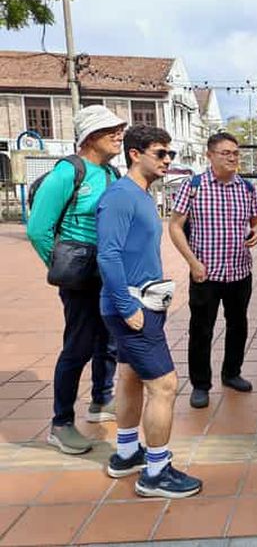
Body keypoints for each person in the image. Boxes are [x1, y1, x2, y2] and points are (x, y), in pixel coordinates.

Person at [97, 125, 201, 498]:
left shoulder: (141, 195)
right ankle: (156, 472)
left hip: (144, 301)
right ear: (135, 154)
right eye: (161, 153)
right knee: (165, 385)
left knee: (128, 376)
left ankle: (127, 453)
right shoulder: (121, 197)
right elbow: (107, 255)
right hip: (131, 305)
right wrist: (128, 307)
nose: (168, 160)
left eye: (169, 154)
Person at [27, 105, 125, 455]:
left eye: (119, 129)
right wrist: (62, 268)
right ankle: (61, 423)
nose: (119, 135)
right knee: (78, 347)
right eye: (110, 130)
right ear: (90, 137)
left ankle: (101, 400)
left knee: (108, 342)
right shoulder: (69, 173)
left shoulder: (111, 174)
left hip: (107, 273)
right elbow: (38, 229)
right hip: (79, 275)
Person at [168, 132, 257, 409]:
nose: (233, 157)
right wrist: (192, 262)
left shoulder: (246, 188)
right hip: (205, 273)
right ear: (210, 155)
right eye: (226, 152)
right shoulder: (193, 186)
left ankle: (232, 373)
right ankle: (200, 384)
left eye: (235, 152)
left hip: (239, 270)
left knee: (238, 325)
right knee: (201, 329)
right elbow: (175, 226)